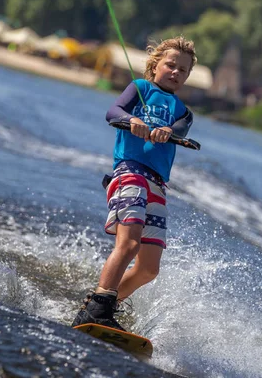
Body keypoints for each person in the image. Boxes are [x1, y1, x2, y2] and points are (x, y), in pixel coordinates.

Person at [72, 36, 197, 331]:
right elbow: (113, 112)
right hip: (130, 173)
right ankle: (98, 307)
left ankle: (101, 307)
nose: (176, 72)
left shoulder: (182, 110)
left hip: (157, 185)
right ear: (155, 65)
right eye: (171, 65)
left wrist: (167, 129)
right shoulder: (140, 89)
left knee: (149, 268)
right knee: (127, 244)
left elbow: (181, 127)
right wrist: (132, 121)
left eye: (183, 70)